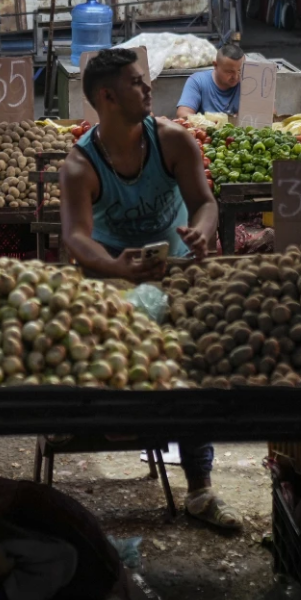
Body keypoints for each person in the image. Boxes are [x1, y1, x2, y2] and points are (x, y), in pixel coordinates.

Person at [59, 48, 240, 531]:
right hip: (112, 283)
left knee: (193, 363)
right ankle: (129, 426)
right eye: (137, 83)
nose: (148, 89)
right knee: (125, 366)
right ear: (108, 97)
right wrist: (116, 266)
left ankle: (200, 487)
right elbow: (76, 238)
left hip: (176, 273)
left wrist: (201, 230)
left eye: (145, 80)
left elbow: (204, 202)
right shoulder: (81, 165)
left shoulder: (174, 141)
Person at [176, 43, 245, 118]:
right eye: (229, 72)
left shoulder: (248, 83)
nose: (235, 77)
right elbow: (183, 114)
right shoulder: (198, 81)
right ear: (215, 65)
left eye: (240, 71)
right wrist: (212, 123)